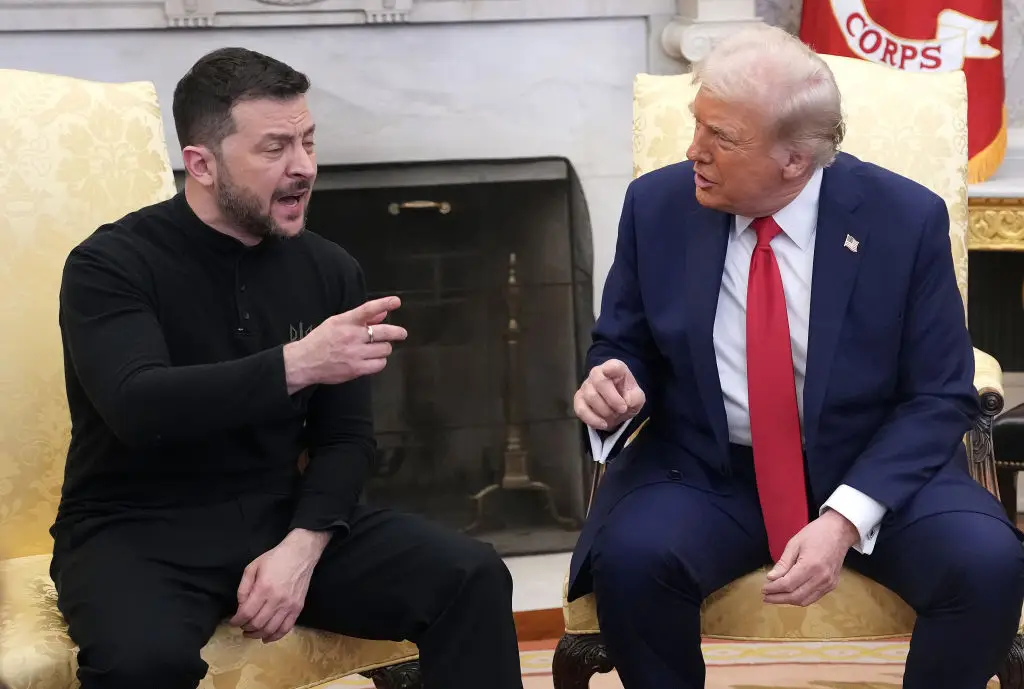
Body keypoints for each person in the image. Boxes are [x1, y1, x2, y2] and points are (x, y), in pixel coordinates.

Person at [49, 46, 524, 689]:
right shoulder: (110, 264)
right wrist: (297, 364)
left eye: (307, 141)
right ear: (201, 164)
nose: (303, 167)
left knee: (471, 576)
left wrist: (302, 547)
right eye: (275, 149)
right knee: (141, 664)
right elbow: (138, 405)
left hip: (281, 518)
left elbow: (345, 437)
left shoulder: (329, 269)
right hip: (136, 531)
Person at [568, 24, 1024, 689]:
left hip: (870, 466)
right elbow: (622, 342)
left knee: (986, 562)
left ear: (794, 159)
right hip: (708, 467)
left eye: (720, 139)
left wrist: (843, 518)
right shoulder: (657, 206)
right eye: (698, 127)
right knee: (633, 559)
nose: (693, 150)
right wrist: (613, 382)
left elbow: (938, 394)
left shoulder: (904, 219)